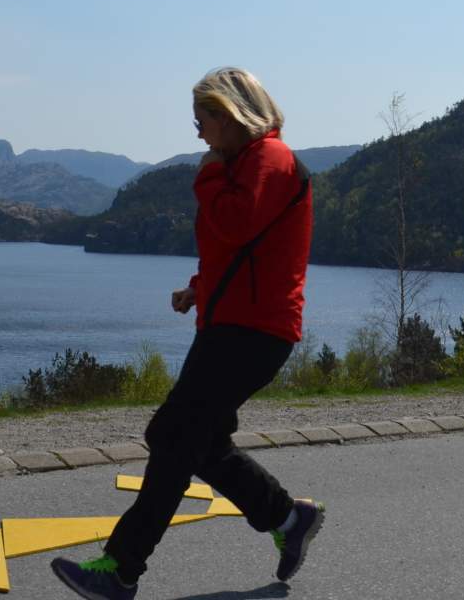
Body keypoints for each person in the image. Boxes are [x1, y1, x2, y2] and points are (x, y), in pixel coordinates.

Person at [53, 68, 322, 600]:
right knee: (194, 440)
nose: (197, 133)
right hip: (232, 326)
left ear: (228, 116)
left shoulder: (269, 159)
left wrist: (206, 175)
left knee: (174, 439)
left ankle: (121, 569)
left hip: (253, 332)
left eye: (201, 121)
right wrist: (199, 287)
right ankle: (287, 518)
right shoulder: (244, 163)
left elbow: (237, 222)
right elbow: (240, 246)